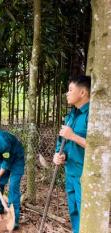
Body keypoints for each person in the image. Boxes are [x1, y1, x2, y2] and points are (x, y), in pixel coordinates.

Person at [53, 75, 90, 233]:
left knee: (85, 212)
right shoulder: (71, 115)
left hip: (85, 175)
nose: (67, 93)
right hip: (70, 171)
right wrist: (60, 155)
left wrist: (73, 136)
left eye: (70, 90)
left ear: (82, 93)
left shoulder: (93, 116)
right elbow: (63, 142)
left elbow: (100, 149)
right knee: (74, 210)